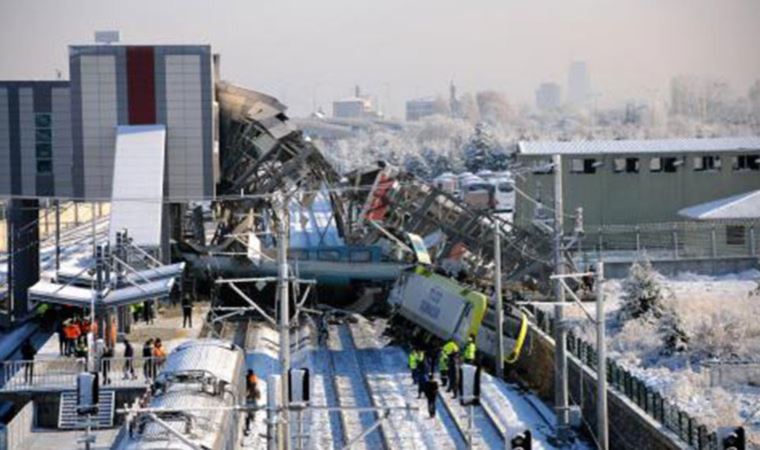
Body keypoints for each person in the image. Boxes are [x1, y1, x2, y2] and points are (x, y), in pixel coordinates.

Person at [244, 369, 259, 436]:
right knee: (249, 415)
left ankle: (248, 427)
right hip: (251, 400)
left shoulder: (250, 377)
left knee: (248, 415)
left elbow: (251, 384)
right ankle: (248, 427)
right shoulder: (253, 378)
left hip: (250, 400)